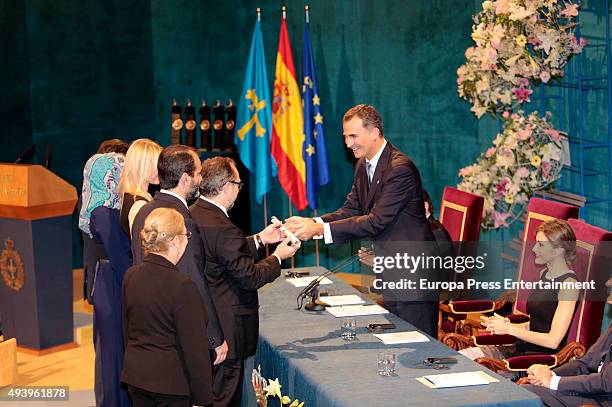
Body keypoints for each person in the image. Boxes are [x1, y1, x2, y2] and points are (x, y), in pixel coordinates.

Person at [284, 104, 439, 336]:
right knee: (401, 336)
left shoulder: (399, 169)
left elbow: (375, 221)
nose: (348, 144)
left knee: (419, 343)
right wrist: (311, 221)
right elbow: (351, 210)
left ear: (374, 132)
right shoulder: (363, 165)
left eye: (353, 136)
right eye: (346, 137)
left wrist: (318, 230)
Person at [190, 157, 299, 407]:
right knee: (224, 398)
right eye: (238, 184)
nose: (239, 190)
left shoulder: (195, 213)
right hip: (226, 328)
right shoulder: (223, 227)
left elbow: (222, 255)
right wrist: (277, 257)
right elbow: (249, 277)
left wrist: (260, 239)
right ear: (227, 186)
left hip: (205, 322)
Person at [131, 145, 227, 366]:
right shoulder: (181, 221)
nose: (201, 178)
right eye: (198, 172)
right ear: (185, 178)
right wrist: (214, 337)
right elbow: (194, 281)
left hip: (148, 331)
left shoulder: (143, 211)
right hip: (177, 336)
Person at [122, 207, 213, 407]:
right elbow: (195, 349)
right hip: (172, 386)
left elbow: (127, 331)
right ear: (174, 241)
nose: (188, 240)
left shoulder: (130, 275)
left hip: (137, 379)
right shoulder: (183, 286)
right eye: (186, 235)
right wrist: (203, 399)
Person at [460, 219, 579, 362]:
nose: (534, 248)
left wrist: (510, 330)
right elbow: (537, 324)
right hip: (520, 349)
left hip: (538, 361)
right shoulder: (545, 274)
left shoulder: (569, 285)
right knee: (460, 359)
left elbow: (552, 341)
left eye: (540, 245)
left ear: (558, 251)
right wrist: (507, 324)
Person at [78, 153, 132, 407]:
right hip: (113, 283)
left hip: (112, 280)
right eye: (118, 170)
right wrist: (134, 283)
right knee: (112, 357)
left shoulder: (109, 206)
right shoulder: (102, 211)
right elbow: (118, 255)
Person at [522, 278, 612, 407]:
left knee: (528, 395)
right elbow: (584, 363)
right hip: (593, 392)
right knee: (526, 392)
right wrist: (549, 374)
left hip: (604, 400)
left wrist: (553, 381)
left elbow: (606, 383)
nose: (607, 283)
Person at [118, 138, 163, 235]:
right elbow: (142, 246)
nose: (159, 169)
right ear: (140, 166)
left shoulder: (132, 196)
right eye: (155, 165)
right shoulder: (138, 203)